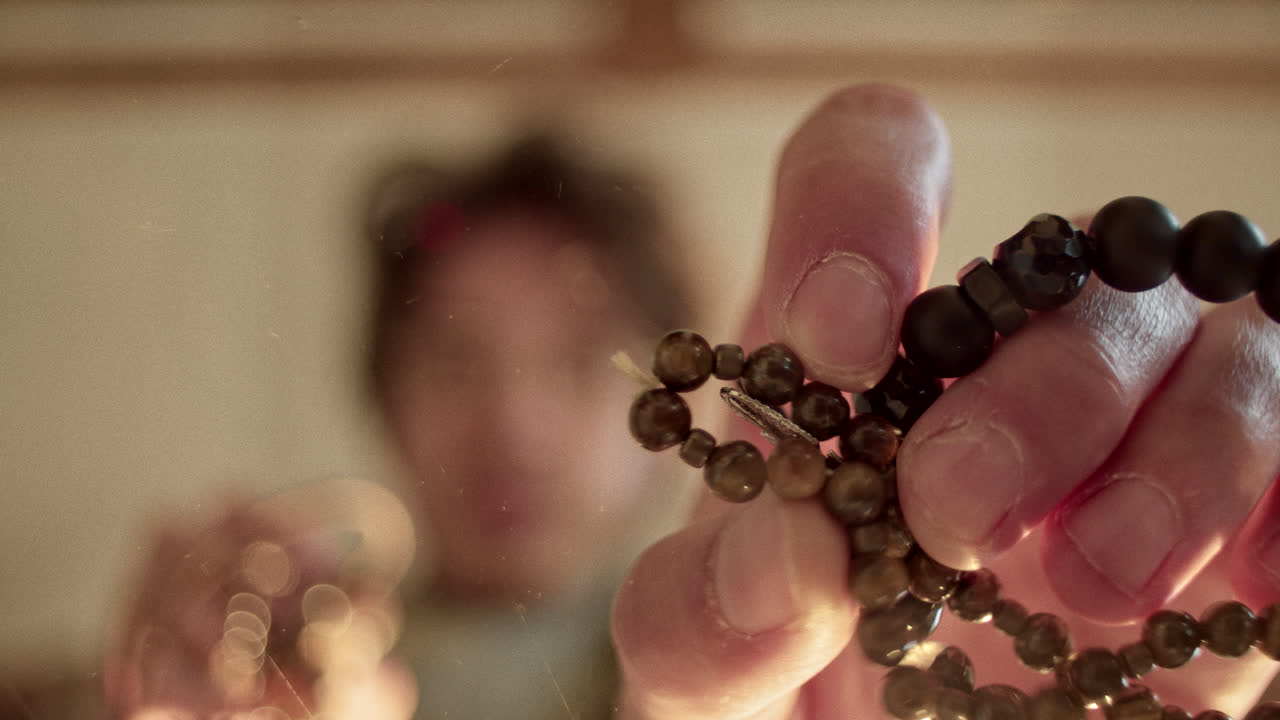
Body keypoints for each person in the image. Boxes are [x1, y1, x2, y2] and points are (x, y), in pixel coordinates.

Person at [106, 84, 1280, 720]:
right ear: (385, 395)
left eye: (580, 362)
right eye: (457, 364)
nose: (513, 424)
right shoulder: (270, 671)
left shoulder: (810, 667)